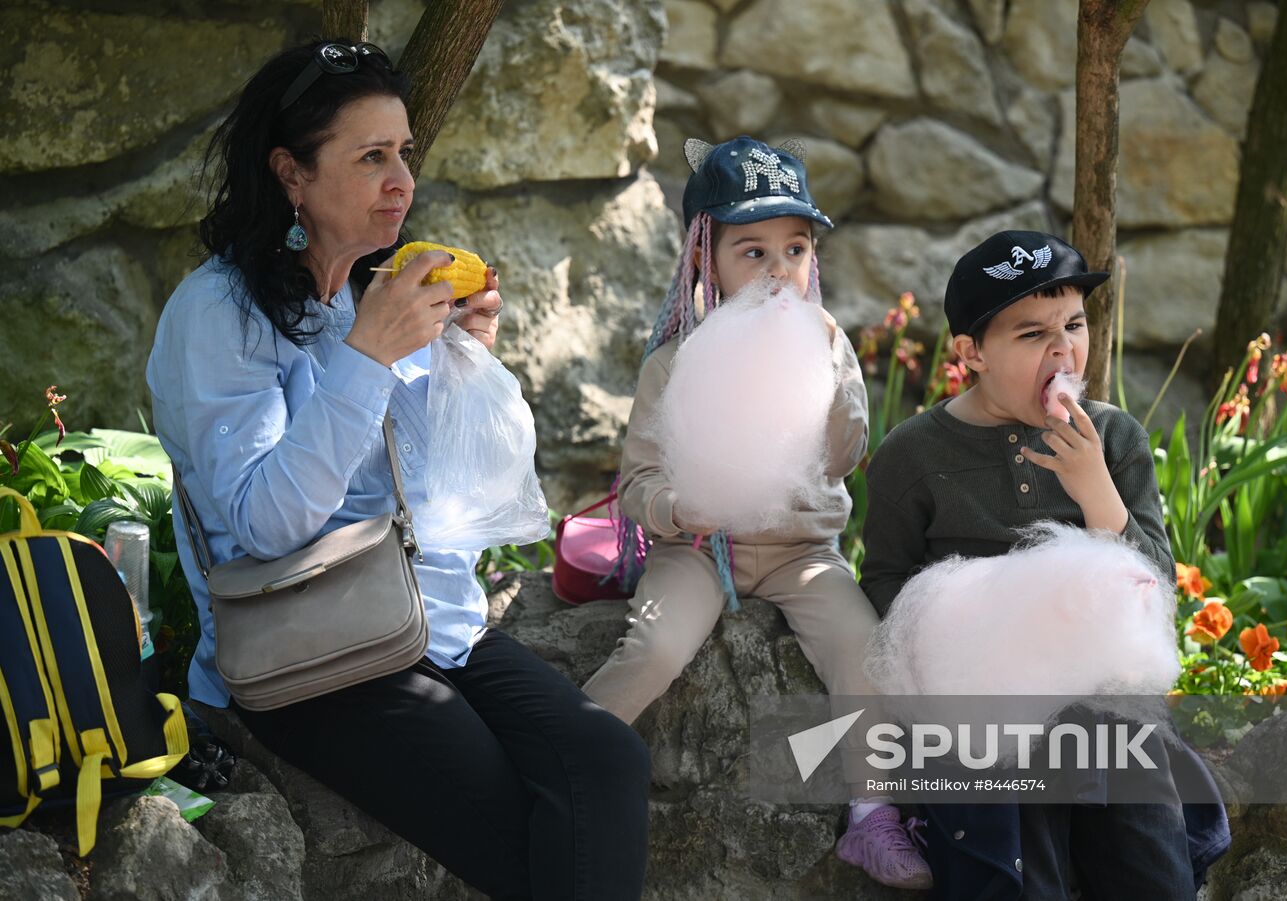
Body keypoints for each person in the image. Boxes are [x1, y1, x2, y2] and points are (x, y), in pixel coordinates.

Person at [146, 39, 650, 900]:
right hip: (307, 647)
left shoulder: (374, 287)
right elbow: (265, 524)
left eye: (404, 153)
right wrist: (365, 359)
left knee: (606, 758)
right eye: (371, 156)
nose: (402, 182)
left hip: (427, 621)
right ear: (291, 174)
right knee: (528, 839)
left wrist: (468, 360)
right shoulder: (216, 315)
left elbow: (453, 493)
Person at [580, 135, 933, 890]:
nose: (779, 271)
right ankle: (562, 755)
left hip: (804, 552)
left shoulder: (826, 342)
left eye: (795, 249)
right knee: (654, 650)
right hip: (698, 552)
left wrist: (829, 374)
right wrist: (680, 507)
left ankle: (874, 817)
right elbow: (638, 483)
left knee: (865, 655)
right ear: (704, 256)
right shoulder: (675, 361)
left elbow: (842, 455)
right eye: (753, 251)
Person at [860, 230, 1232, 899]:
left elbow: (1154, 587)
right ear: (971, 352)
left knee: (1146, 852)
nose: (1064, 351)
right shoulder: (911, 455)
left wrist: (1096, 491)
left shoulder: (1114, 438)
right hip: (982, 709)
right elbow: (885, 584)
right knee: (1019, 844)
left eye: (1075, 325)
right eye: (1032, 335)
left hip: (1105, 696)